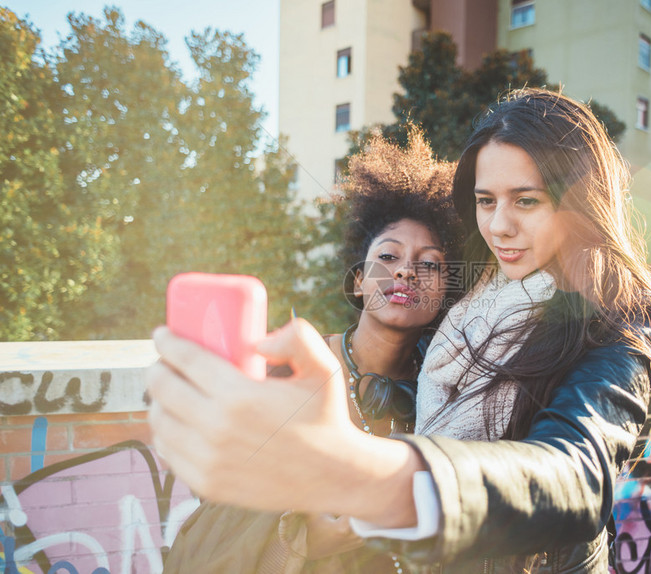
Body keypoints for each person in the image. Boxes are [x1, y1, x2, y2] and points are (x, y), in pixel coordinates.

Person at [148, 88, 651, 574]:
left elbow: (577, 480)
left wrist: (364, 473)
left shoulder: (618, 320)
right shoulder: (465, 310)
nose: (499, 226)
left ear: (580, 203)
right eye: (486, 201)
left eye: (527, 200)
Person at [161, 128, 463, 573]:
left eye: (429, 264)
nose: (406, 273)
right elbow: (225, 531)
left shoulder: (451, 395)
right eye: (388, 257)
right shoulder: (289, 372)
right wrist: (306, 543)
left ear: (445, 290)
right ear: (359, 281)